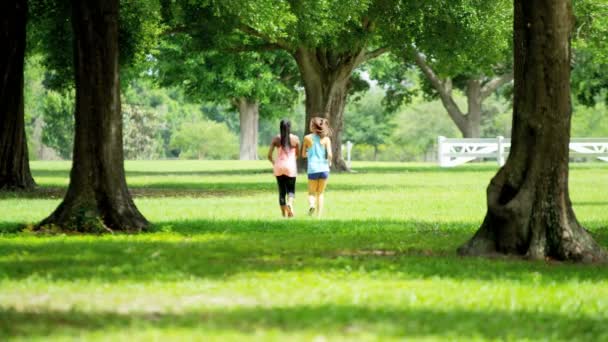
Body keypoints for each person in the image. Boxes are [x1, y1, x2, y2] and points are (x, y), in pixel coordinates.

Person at [268, 119, 299, 217]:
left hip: (279, 166)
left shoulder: (276, 139)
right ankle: (290, 204)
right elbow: (297, 154)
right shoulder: (295, 139)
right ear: (290, 127)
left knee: (281, 191)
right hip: (290, 167)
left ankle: (283, 214)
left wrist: (274, 163)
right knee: (291, 190)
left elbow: (269, 155)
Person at [302, 116, 332, 217]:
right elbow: (330, 154)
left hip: (313, 169)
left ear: (313, 126)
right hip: (324, 169)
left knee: (311, 193)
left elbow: (303, 155)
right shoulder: (326, 139)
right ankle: (318, 216)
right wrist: (329, 162)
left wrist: (309, 154)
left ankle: (311, 205)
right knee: (320, 193)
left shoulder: (307, 138)